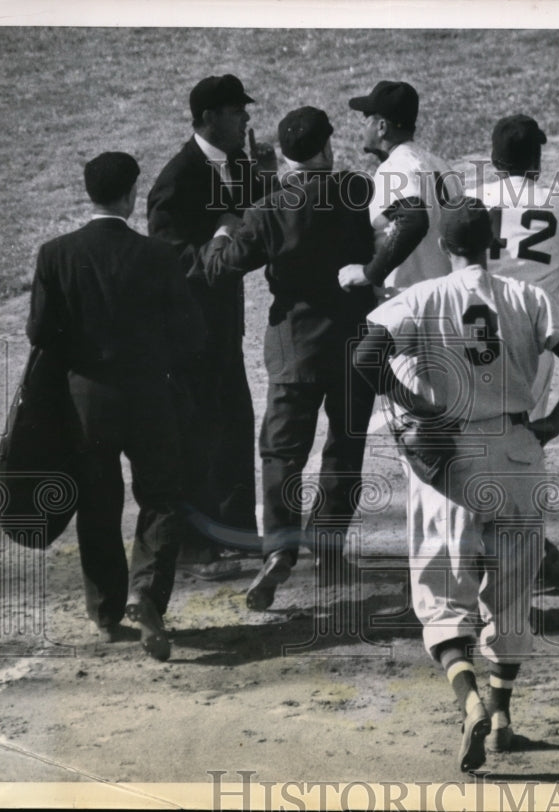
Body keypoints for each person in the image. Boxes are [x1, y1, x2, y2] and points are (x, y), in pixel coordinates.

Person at [353, 197, 559, 772]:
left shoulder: (420, 297)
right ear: (492, 243)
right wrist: (556, 422)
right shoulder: (527, 297)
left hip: (450, 465)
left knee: (443, 598)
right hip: (517, 455)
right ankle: (504, 716)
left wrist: (417, 404)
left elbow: (365, 358)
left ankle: (469, 702)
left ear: (443, 246)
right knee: (512, 596)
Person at [27, 152, 205, 661]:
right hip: (149, 398)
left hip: (86, 403)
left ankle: (106, 613)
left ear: (90, 194)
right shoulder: (158, 255)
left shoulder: (55, 254)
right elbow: (190, 334)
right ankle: (146, 593)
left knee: (97, 503)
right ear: (131, 194)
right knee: (162, 497)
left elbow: (39, 332)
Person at [202, 106, 378, 610]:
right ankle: (329, 548)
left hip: (293, 348)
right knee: (345, 446)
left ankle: (280, 547)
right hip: (355, 342)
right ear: (326, 147)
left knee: (281, 452)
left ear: (282, 154)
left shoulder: (268, 208)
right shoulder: (357, 189)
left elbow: (222, 266)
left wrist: (224, 229)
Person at [147, 74, 278, 579]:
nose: (245, 117)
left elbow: (255, 213)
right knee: (198, 431)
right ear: (208, 118)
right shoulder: (177, 178)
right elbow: (167, 254)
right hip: (187, 331)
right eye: (235, 111)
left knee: (233, 423)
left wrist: (266, 177)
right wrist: (219, 240)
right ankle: (195, 547)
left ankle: (235, 534)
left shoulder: (237, 163)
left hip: (222, 326)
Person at [466, 114, 559, 575]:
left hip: (473, 331)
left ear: (493, 160)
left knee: (474, 433)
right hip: (536, 338)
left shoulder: (473, 199)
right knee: (523, 439)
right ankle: (525, 543)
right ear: (538, 160)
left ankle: (478, 539)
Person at [338, 80, 463, 298]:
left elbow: (414, 220)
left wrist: (369, 273)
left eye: (366, 119)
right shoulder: (442, 166)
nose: (362, 126)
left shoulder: (395, 167)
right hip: (447, 294)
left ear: (381, 127)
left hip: (410, 300)